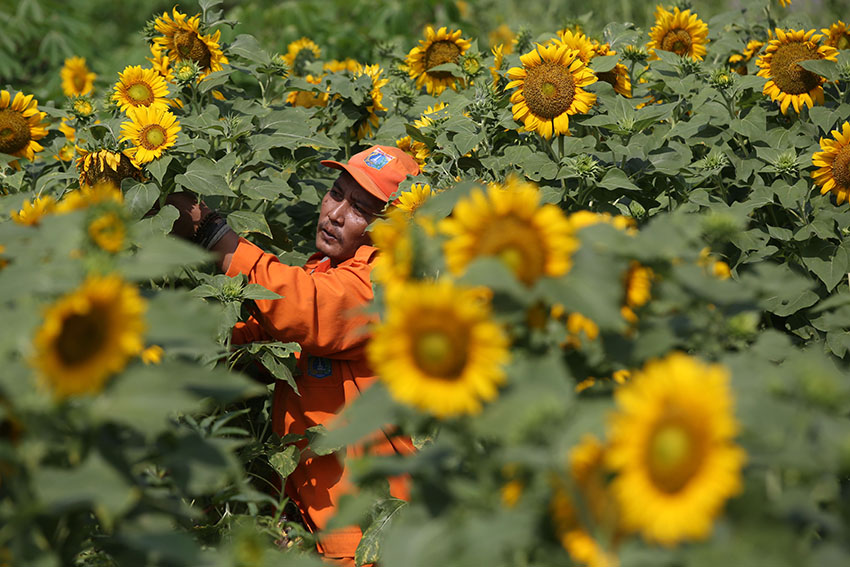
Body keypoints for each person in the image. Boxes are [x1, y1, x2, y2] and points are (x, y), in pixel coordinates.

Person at [167, 145, 420, 565]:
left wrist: (213, 232)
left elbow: (303, 308)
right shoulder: (320, 272)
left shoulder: (389, 283)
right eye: (335, 193)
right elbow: (253, 338)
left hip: (369, 537)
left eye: (360, 209)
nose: (336, 213)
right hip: (310, 528)